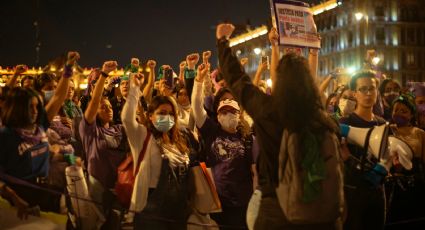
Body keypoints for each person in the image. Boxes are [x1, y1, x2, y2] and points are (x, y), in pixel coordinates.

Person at [215, 23, 343, 229]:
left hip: (276, 211)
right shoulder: (322, 118)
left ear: (279, 80)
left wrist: (223, 43)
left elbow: (238, 80)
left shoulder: (268, 111)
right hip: (321, 216)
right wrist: (313, 52)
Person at [0, 52, 79, 214]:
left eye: (37, 106)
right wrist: (12, 196)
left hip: (47, 192)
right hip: (19, 203)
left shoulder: (39, 126)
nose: (36, 111)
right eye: (31, 107)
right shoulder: (6, 135)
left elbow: (58, 97)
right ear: (18, 109)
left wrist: (68, 67)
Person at [122, 73, 195, 230]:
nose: (167, 117)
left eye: (171, 114)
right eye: (162, 113)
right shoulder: (142, 137)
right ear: (150, 116)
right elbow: (127, 119)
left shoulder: (179, 141)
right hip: (152, 213)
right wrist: (135, 89)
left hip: (178, 212)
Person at [192, 63, 258, 229]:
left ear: (239, 112)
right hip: (219, 202)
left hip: (243, 202)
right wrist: (199, 81)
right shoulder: (211, 131)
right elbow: (197, 109)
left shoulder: (248, 138)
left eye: (232, 110)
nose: (228, 114)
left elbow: (255, 171)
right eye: (224, 110)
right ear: (217, 113)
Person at [79, 62, 129, 224]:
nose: (107, 109)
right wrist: (104, 76)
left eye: (109, 106)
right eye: (102, 107)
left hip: (122, 187)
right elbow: (94, 101)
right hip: (99, 188)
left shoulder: (120, 129)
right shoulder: (90, 131)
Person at [339, 70, 388, 230]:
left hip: (377, 194)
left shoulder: (382, 124)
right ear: (354, 93)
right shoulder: (345, 122)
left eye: (372, 88)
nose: (368, 93)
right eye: (363, 89)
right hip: (352, 193)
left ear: (377, 92)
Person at [385, 94, 425, 227]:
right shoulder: (387, 131)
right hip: (393, 183)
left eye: (404, 111)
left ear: (412, 115)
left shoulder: (419, 133)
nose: (399, 113)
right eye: (396, 110)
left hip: (416, 182)